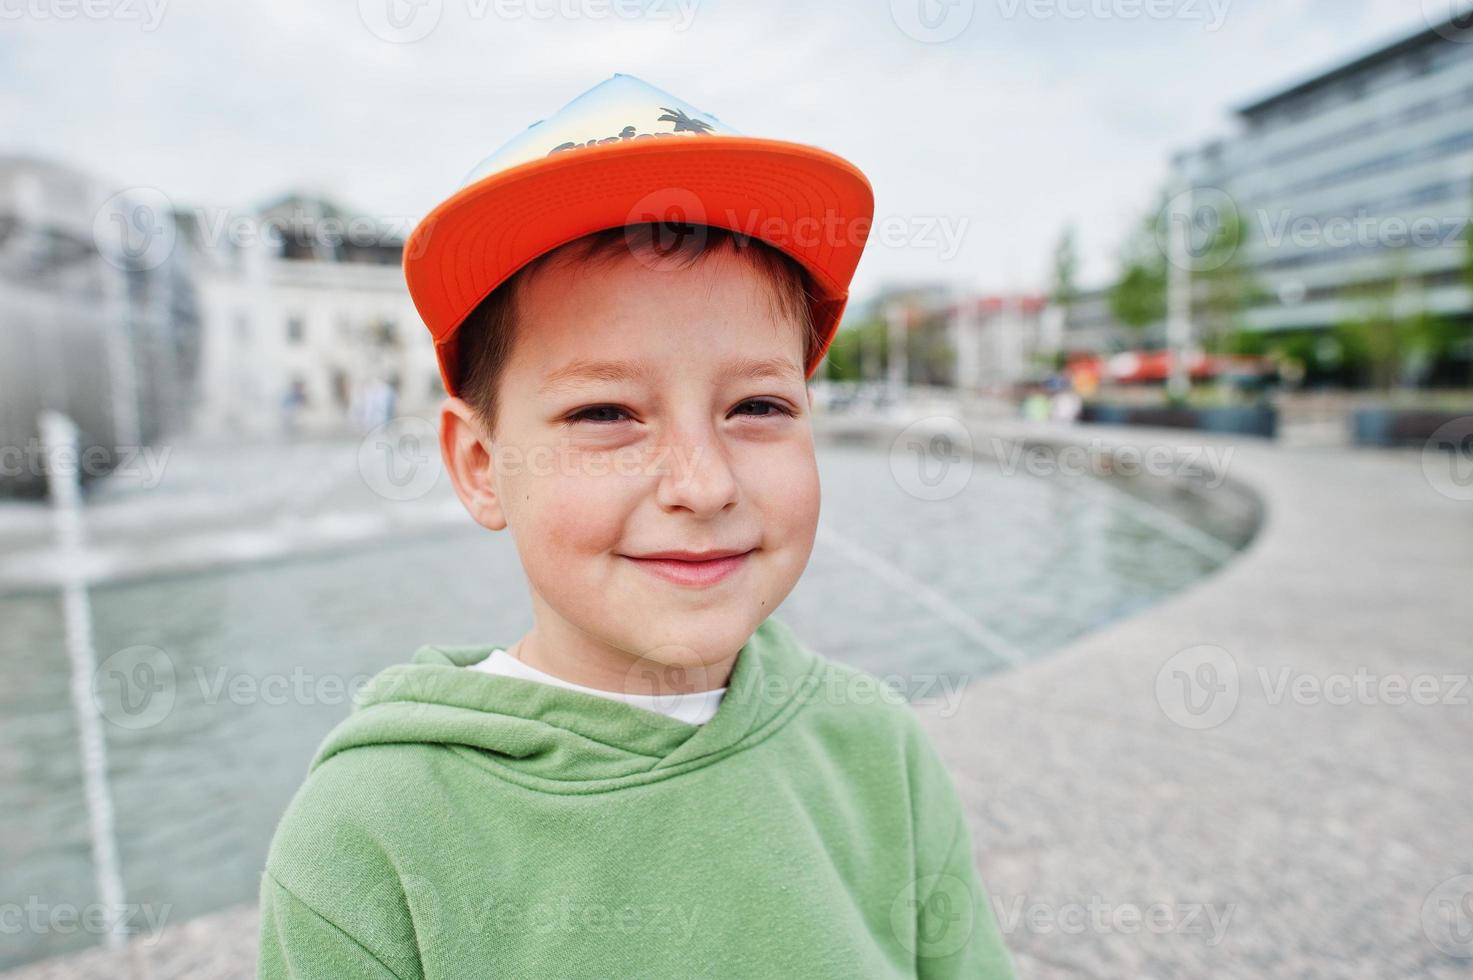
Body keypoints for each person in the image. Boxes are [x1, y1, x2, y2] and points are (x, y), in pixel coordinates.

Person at [256, 73, 1015, 979]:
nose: (701, 485)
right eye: (605, 413)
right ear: (477, 466)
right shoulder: (370, 834)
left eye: (759, 405)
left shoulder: (877, 750)